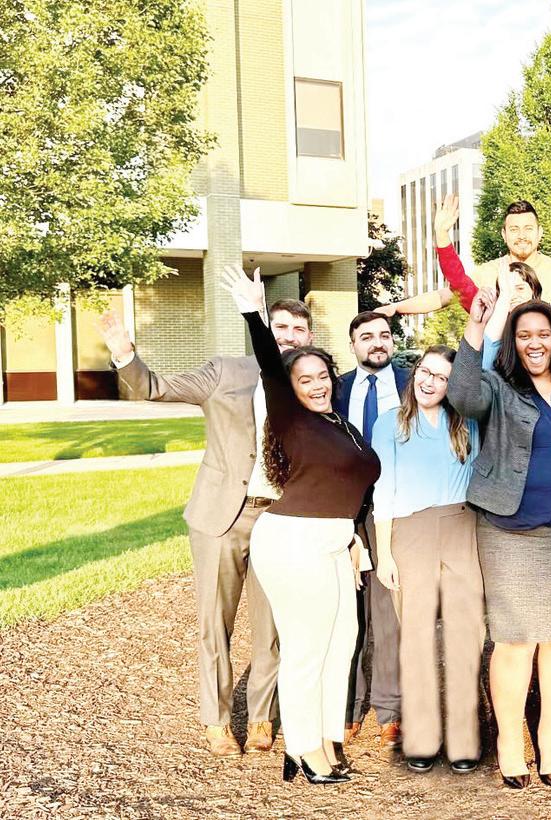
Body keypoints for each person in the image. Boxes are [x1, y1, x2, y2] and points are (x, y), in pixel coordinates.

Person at [98, 302, 290, 758]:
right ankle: (217, 721)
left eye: (298, 330)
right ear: (264, 330)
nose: (288, 337)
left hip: (281, 519)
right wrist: (125, 354)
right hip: (222, 516)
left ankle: (262, 716)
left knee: (272, 624)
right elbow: (156, 387)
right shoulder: (225, 371)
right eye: (279, 327)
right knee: (215, 623)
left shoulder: (309, 383)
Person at [219, 266, 382, 785]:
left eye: (321, 376)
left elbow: (350, 490)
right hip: (293, 541)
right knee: (308, 648)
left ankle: (327, 738)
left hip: (334, 542)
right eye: (303, 379)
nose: (316, 385)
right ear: (290, 388)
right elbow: (271, 366)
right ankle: (304, 748)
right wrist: (254, 312)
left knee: (342, 641)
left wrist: (352, 537)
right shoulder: (292, 419)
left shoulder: (341, 425)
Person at [446, 292, 551, 790]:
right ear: (513, 342)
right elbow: (461, 396)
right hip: (511, 531)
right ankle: (510, 743)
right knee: (514, 641)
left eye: (543, 334)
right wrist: (476, 328)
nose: (535, 343)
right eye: (524, 335)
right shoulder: (497, 386)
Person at [370, 346, 485, 776]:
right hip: (409, 531)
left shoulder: (467, 424)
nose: (429, 381)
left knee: (466, 632)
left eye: (441, 377)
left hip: (460, 527)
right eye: (425, 371)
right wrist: (385, 553)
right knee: (416, 635)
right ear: (414, 372)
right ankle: (420, 737)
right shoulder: (390, 424)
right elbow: (383, 490)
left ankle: (464, 737)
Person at [334, 311, 410, 749]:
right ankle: (347, 706)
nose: (377, 342)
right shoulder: (335, 388)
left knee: (389, 612)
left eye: (384, 335)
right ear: (353, 345)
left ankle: (390, 709)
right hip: (343, 509)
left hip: (394, 510)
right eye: (366, 336)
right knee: (347, 612)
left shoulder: (411, 384)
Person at [469, 199, 551, 303]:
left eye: (528, 229)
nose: (522, 236)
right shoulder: (484, 275)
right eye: (514, 230)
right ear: (504, 235)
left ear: (540, 232)